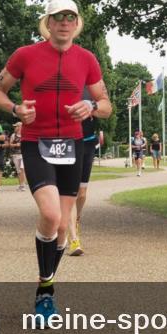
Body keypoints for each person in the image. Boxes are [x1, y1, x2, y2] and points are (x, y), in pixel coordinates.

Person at [0, 0, 111, 323]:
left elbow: (105, 102)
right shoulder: (25, 55)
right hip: (37, 142)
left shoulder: (87, 59)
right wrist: (16, 109)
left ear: (77, 22)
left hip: (73, 146)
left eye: (71, 16)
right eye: (58, 17)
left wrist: (92, 108)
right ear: (48, 21)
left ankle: (45, 289)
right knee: (51, 214)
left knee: (62, 228)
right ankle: (46, 290)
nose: (64, 22)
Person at [67, 86, 98, 256]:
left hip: (88, 142)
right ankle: (73, 239)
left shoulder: (91, 89)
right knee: (70, 192)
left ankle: (76, 219)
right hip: (69, 142)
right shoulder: (64, 88)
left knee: (82, 193)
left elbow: (106, 109)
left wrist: (93, 107)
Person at [8, 122, 27, 191]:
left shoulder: (25, 134)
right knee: (19, 171)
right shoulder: (13, 135)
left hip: (23, 155)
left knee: (22, 169)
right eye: (15, 126)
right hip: (15, 155)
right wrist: (16, 145)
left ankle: (23, 185)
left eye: (16, 126)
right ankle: (21, 185)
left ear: (20, 127)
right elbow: (10, 145)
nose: (14, 128)